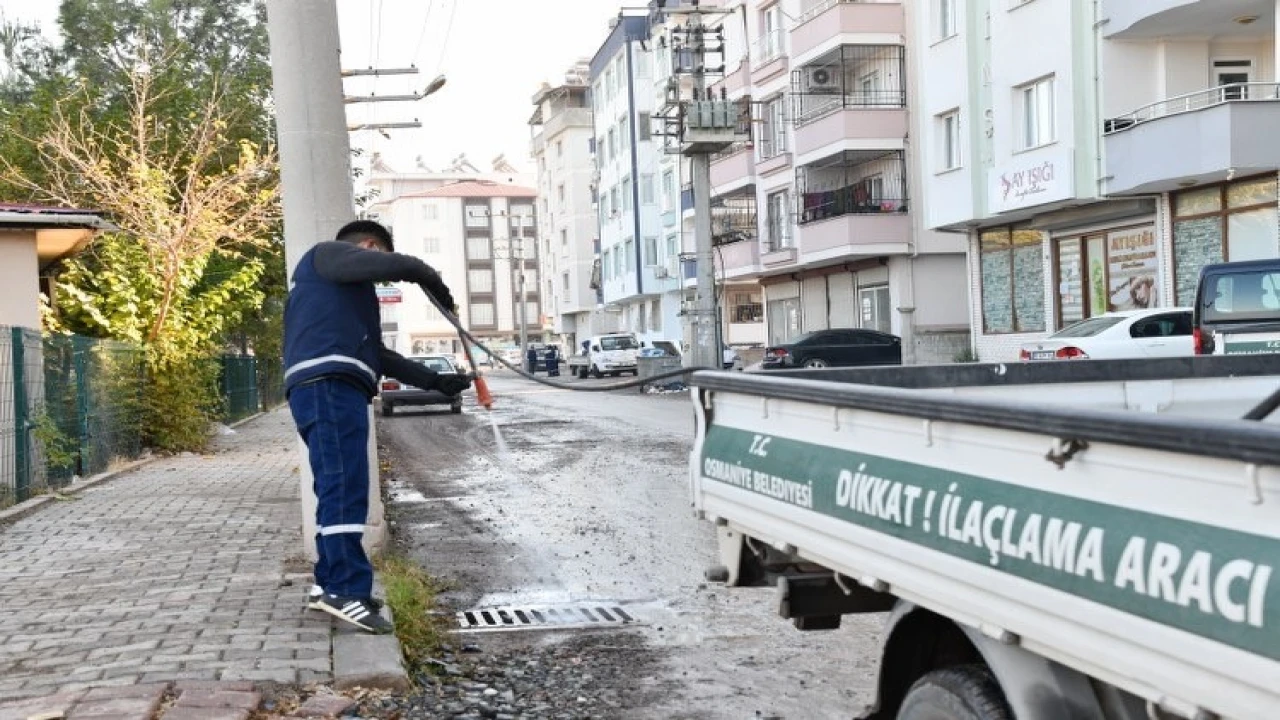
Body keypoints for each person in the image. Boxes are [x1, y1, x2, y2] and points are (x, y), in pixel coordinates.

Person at [284, 219, 472, 634]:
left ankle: (329, 584)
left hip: (328, 386)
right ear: (369, 247)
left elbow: (379, 355)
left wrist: (435, 381)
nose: (384, 273)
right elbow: (406, 267)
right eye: (381, 260)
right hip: (329, 385)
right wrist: (430, 280)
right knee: (345, 484)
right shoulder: (325, 255)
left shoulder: (344, 296)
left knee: (335, 484)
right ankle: (347, 593)